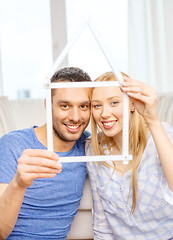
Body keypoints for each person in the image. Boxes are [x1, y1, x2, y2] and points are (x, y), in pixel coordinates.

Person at [0, 67, 91, 240]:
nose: (75, 117)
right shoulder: (12, 145)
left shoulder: (88, 146)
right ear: (47, 105)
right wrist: (19, 184)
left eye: (83, 106)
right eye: (65, 106)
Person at [86, 71, 173, 239]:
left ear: (132, 104)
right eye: (97, 105)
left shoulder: (162, 134)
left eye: (114, 102)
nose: (104, 113)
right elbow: (102, 225)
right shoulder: (92, 149)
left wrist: (152, 121)